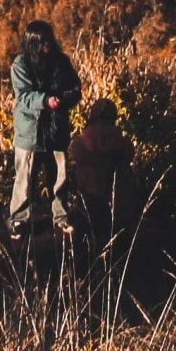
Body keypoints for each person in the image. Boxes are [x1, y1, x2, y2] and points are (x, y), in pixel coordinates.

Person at [8, 18, 82, 234]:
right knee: (25, 178)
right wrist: (46, 101)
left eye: (48, 39)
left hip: (55, 128)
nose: (46, 45)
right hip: (30, 131)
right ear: (32, 43)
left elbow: (75, 89)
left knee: (59, 176)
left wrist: (62, 101)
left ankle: (61, 216)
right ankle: (18, 220)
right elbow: (23, 96)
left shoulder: (61, 62)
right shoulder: (20, 64)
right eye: (42, 42)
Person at [70, 96, 137, 251]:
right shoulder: (123, 143)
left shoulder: (80, 144)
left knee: (83, 248)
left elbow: (75, 164)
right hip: (117, 207)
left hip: (88, 204)